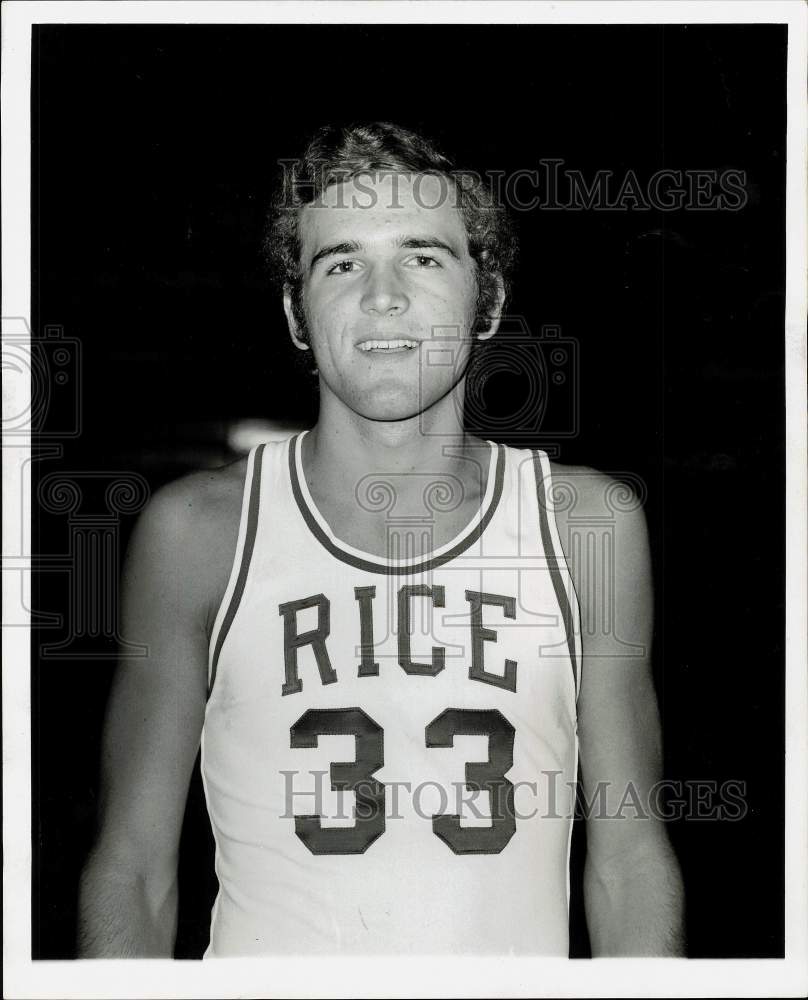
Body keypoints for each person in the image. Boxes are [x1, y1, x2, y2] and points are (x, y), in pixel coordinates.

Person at [78, 122, 684, 957]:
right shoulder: (197, 534)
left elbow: (629, 857)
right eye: (342, 263)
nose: (384, 296)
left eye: (424, 257)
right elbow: (133, 867)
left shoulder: (587, 526)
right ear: (296, 312)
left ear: (491, 301)